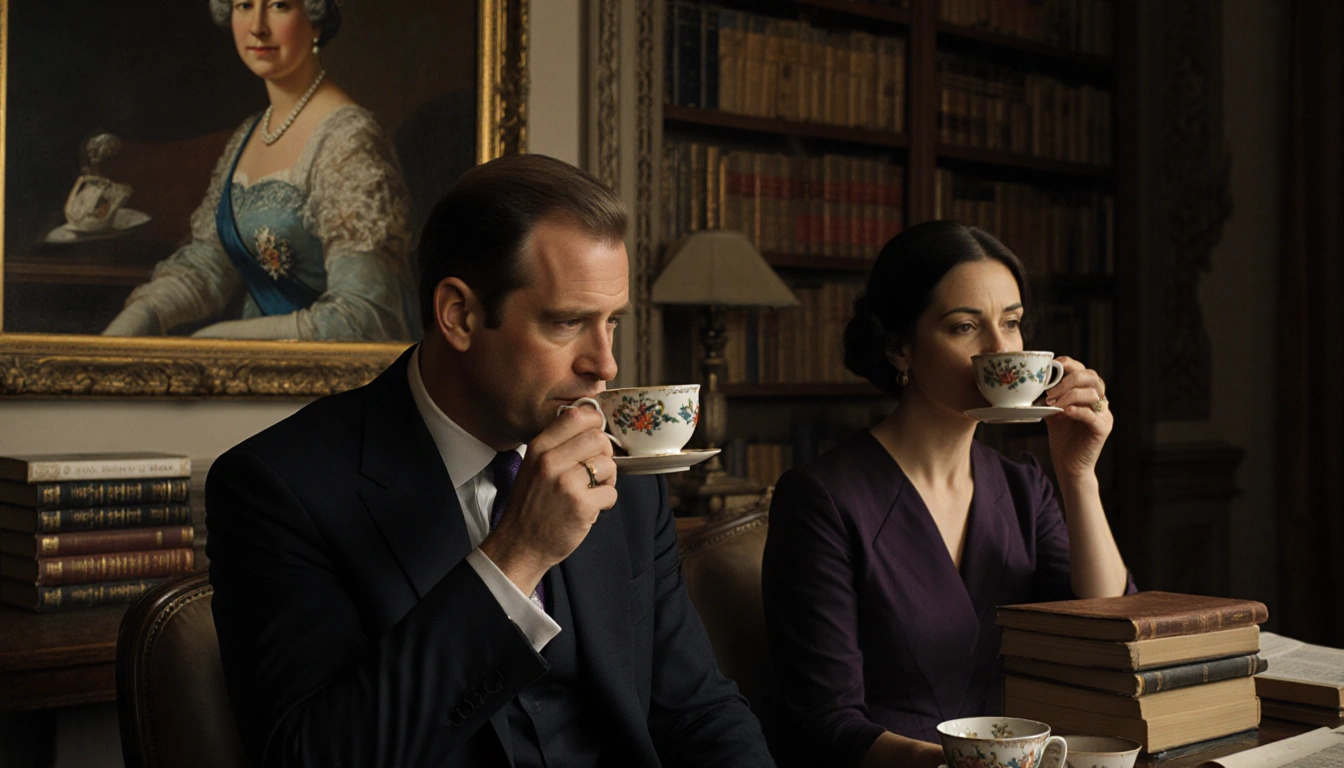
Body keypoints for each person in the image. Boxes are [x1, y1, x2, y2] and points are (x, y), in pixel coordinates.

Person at [205, 153, 775, 768]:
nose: (605, 365)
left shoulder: (626, 475)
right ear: (459, 315)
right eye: (567, 323)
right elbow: (314, 756)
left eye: (611, 322)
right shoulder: (276, 488)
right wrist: (518, 554)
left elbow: (697, 712)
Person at [761, 221, 1135, 768]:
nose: (1001, 350)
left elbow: (1106, 633)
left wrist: (1078, 474)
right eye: (965, 327)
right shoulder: (822, 499)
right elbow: (825, 724)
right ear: (899, 349)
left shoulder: (1023, 487)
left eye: (1012, 323)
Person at [104, 0, 418, 341]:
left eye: (279, 5)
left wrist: (224, 340)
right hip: (257, 363)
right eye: (244, 5)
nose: (257, 27)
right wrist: (144, 314)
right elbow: (209, 264)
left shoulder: (348, 142)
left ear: (316, 20)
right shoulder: (249, 134)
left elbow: (366, 316)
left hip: (332, 367)